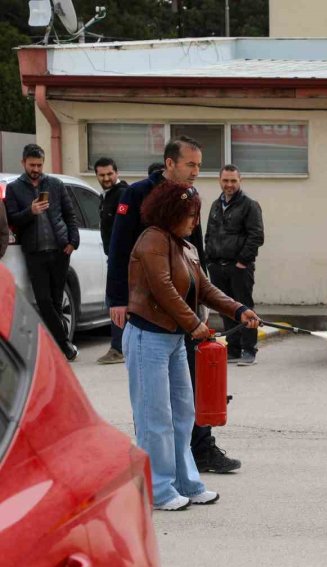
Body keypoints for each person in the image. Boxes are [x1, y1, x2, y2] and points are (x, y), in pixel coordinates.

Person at [107, 136, 242, 474]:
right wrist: (118, 300)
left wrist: (204, 299)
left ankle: (201, 448)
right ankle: (154, 463)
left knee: (192, 386)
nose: (197, 171)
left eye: (199, 164)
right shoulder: (137, 195)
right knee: (153, 400)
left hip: (185, 308)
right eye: (191, 164)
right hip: (150, 314)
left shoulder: (190, 197)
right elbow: (119, 250)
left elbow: (195, 255)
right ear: (170, 163)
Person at [124, 179, 260, 510]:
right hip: (148, 338)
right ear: (170, 213)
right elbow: (163, 289)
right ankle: (159, 490)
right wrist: (196, 325)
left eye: (196, 214)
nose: (194, 221)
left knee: (184, 413)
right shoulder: (152, 241)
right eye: (189, 214)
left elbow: (205, 288)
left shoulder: (185, 246)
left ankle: (186, 481)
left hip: (172, 340)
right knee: (154, 417)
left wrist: (238, 309)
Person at [4, 144, 79, 360]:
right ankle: (65, 344)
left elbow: (69, 214)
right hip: (35, 252)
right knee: (44, 301)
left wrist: (73, 241)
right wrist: (31, 211)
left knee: (57, 301)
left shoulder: (55, 184)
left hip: (60, 250)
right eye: (32, 165)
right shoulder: (15, 188)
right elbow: (12, 218)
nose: (36, 169)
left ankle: (58, 349)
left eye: (39, 164)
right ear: (23, 163)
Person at [206, 165, 264, 366]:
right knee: (226, 308)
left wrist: (242, 262)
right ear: (219, 181)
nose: (229, 185)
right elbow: (209, 234)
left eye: (233, 181)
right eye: (225, 181)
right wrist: (209, 260)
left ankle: (249, 350)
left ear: (240, 181)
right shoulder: (215, 205)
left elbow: (256, 236)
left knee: (244, 307)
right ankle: (234, 349)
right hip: (217, 267)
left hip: (239, 267)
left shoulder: (250, 205)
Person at [94, 157, 129, 365]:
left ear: (116, 172)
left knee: (116, 300)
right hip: (114, 257)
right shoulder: (107, 196)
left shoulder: (122, 195)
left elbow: (122, 230)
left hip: (121, 259)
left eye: (109, 174)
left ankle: (118, 349)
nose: (106, 178)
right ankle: (120, 346)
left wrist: (118, 258)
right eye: (102, 175)